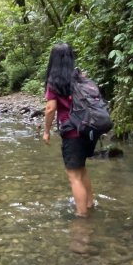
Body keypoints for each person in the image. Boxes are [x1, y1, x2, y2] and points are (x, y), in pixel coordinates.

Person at [42, 41, 95, 217]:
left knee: (74, 176)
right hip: (88, 129)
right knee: (82, 169)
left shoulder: (54, 82)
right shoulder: (81, 76)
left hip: (72, 132)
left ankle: (82, 217)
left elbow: (50, 109)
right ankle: (89, 204)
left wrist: (46, 131)